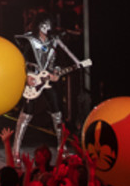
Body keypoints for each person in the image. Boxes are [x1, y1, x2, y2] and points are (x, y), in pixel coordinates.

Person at [12, 10, 87, 162]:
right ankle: (16, 150)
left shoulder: (54, 41)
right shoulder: (30, 40)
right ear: (39, 26)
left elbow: (59, 62)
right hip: (33, 80)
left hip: (47, 81)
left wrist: (57, 72)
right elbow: (20, 60)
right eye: (45, 24)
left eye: (50, 24)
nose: (48, 27)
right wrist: (26, 76)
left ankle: (62, 148)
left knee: (57, 112)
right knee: (27, 113)